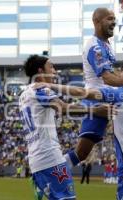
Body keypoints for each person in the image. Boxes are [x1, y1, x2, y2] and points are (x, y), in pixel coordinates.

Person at [35, 59, 123, 200]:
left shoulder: (119, 93)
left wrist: (50, 85)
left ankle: (47, 177)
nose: (119, 74)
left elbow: (81, 92)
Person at [64, 7, 123, 169]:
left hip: (110, 95)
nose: (114, 22)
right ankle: (49, 172)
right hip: (97, 98)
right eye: (109, 18)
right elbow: (107, 78)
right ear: (97, 22)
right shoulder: (95, 47)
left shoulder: (106, 44)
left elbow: (111, 74)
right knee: (81, 152)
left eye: (114, 18)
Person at [19, 55, 107, 200]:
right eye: (51, 67)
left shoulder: (23, 95)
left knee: (79, 155)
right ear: (40, 71)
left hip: (38, 161)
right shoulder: (40, 89)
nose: (55, 71)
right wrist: (94, 111)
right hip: (49, 160)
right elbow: (62, 107)